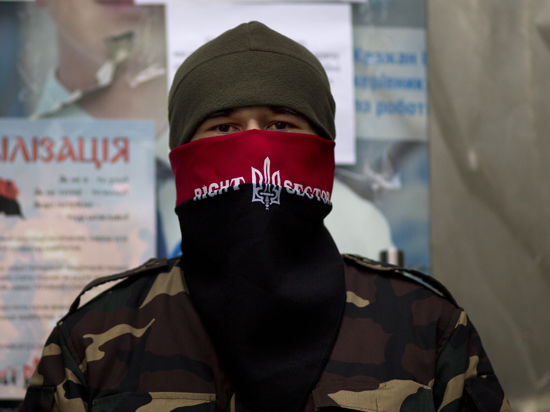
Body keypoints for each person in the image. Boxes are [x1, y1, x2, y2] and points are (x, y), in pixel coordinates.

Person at [19, 21, 510, 412]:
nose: (255, 146)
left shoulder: (427, 329)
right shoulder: (93, 342)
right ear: (182, 159)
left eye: (282, 124)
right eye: (223, 127)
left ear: (322, 154)